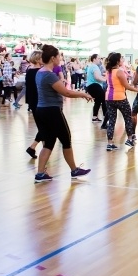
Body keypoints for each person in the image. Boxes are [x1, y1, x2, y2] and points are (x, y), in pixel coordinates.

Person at [32, 45, 93, 183]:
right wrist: (83, 94)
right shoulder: (49, 75)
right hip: (52, 111)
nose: (60, 58)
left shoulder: (40, 72)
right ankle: (74, 170)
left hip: (41, 110)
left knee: (49, 142)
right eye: (59, 56)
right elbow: (66, 92)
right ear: (53, 58)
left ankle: (40, 173)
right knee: (66, 139)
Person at [105, 52, 138, 151]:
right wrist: (137, 90)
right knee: (128, 118)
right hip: (120, 98)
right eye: (121, 59)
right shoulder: (119, 72)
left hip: (109, 98)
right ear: (118, 61)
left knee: (112, 121)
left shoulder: (108, 71)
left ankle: (109, 143)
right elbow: (127, 86)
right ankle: (130, 139)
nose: (122, 60)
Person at [24, 51, 44, 158]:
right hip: (40, 102)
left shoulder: (29, 71)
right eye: (42, 57)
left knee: (43, 127)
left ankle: (34, 148)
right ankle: (32, 147)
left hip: (33, 102)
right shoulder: (40, 71)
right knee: (45, 128)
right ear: (37, 59)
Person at [85, 54, 108, 125]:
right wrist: (106, 80)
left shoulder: (92, 66)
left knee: (98, 101)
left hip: (91, 86)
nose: (100, 60)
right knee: (104, 99)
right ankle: (106, 117)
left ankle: (94, 117)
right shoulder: (94, 66)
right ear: (94, 59)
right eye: (98, 58)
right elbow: (97, 77)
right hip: (94, 86)